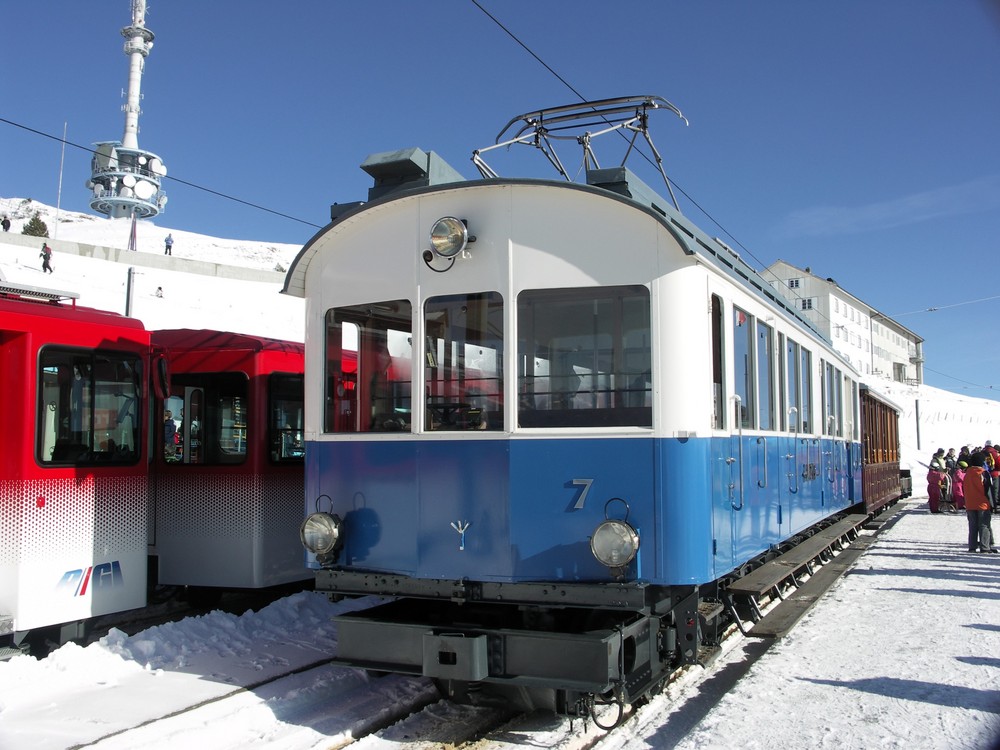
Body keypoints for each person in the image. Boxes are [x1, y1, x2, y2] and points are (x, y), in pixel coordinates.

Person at [962, 452, 997, 553]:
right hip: (983, 503)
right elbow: (989, 490)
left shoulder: (967, 473)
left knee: (972, 526)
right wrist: (993, 505)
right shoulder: (983, 473)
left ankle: (972, 546)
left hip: (970, 503)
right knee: (984, 525)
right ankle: (985, 547)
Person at [927, 448, 946, 514]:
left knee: (932, 498)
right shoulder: (936, 473)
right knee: (935, 498)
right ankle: (935, 509)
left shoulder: (930, 473)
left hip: (931, 486)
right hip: (935, 486)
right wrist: (944, 473)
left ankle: (933, 508)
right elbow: (941, 477)